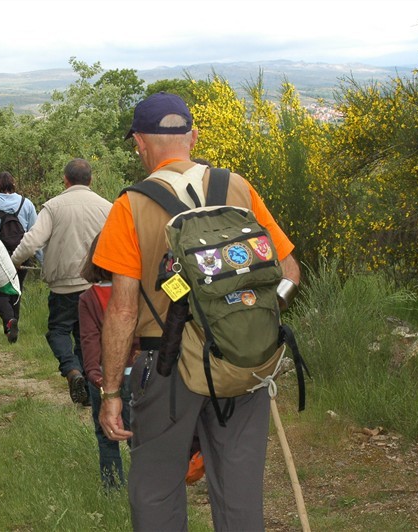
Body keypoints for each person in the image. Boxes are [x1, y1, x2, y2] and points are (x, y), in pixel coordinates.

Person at [94, 92, 301, 531]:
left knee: (156, 489)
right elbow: (290, 272)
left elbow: (123, 311)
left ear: (140, 144)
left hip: (166, 365)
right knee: (240, 491)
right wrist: (259, 319)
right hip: (244, 360)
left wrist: (111, 393)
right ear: (193, 136)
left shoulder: (129, 206)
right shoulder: (239, 187)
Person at [11, 159, 111, 404]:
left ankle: (72, 371)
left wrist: (13, 261)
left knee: (58, 330)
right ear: (91, 180)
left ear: (65, 180)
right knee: (86, 335)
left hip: (63, 285)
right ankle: (87, 387)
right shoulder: (107, 207)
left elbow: (33, 241)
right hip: (95, 284)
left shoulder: (54, 207)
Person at [79, 233, 136, 489]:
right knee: (141, 436)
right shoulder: (140, 291)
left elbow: (89, 340)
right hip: (139, 373)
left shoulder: (88, 298)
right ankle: (145, 486)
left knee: (106, 436)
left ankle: (113, 489)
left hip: (103, 374)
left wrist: (94, 375)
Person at [0, 171, 39, 343]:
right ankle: (13, 327)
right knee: (16, 290)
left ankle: (9, 322)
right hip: (22, 253)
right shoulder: (26, 204)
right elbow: (34, 232)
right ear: (14, 185)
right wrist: (41, 259)